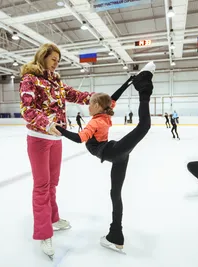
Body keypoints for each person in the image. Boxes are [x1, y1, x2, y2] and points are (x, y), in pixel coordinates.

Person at [55, 61, 155, 253]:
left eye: (90, 103)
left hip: (114, 152)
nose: (88, 106)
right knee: (115, 194)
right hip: (118, 156)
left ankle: (145, 89)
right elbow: (113, 98)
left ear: (97, 106)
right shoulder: (104, 114)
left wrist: (60, 129)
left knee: (144, 126)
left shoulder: (94, 122)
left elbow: (79, 138)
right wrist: (128, 81)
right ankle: (115, 236)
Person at [19, 43, 94, 260]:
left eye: (58, 60)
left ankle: (53, 218)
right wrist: (46, 123)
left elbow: (74, 95)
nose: (56, 62)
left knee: (53, 182)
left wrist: (96, 98)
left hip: (57, 137)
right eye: (53, 59)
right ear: (42, 57)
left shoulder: (56, 80)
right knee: (42, 186)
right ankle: (44, 232)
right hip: (39, 138)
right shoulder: (30, 79)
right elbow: (27, 109)